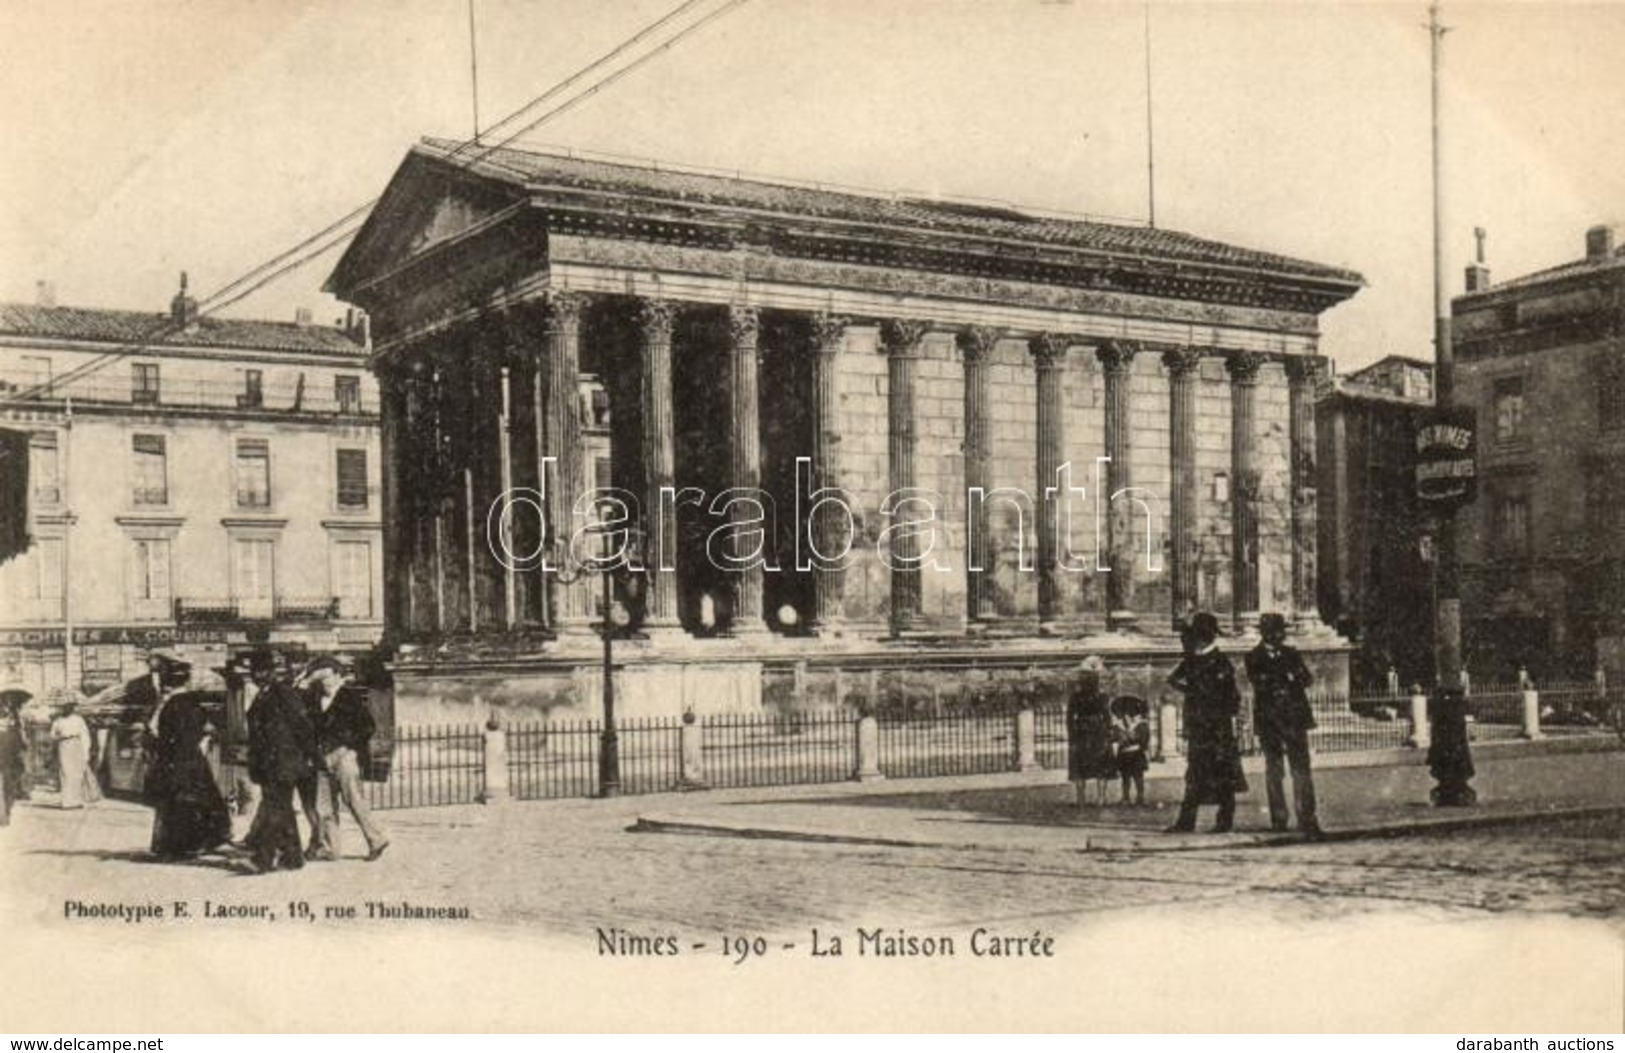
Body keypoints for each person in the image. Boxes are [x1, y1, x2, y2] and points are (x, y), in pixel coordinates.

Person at [301, 655, 389, 862]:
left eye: (328, 676)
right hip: (321, 757)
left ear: (339, 676)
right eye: (320, 677)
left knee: (353, 799)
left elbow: (367, 726)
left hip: (344, 755)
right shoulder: (313, 699)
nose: (324, 681)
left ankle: (376, 840)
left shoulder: (349, 697)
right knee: (324, 806)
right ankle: (332, 848)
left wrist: (348, 745)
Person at [1166, 612, 1247, 833]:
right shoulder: (1192, 660)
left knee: (1223, 774)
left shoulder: (1220, 661)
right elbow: (1172, 679)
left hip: (1217, 728)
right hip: (1199, 727)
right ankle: (1186, 821)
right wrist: (1191, 692)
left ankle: (1224, 821)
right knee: (1194, 774)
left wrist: (1210, 703)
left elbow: (1233, 698)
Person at [1245, 613, 1323, 838]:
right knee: (1275, 770)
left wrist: (1285, 680)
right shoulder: (1253, 656)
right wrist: (1288, 679)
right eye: (1275, 631)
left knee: (1301, 769)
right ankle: (1279, 818)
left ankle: (1307, 817)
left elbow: (1306, 679)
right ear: (1265, 633)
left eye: (1281, 631)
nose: (1280, 635)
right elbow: (1261, 683)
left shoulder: (1292, 653)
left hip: (1295, 719)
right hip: (1271, 720)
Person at [145, 659, 231, 860]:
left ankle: (175, 846)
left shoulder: (168, 703)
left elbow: (156, 731)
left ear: (169, 682)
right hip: (192, 756)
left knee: (175, 801)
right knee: (196, 798)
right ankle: (198, 842)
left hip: (173, 756)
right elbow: (204, 728)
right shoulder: (193, 703)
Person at [245, 650, 320, 873]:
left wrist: (311, 757)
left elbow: (303, 727)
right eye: (255, 672)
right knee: (283, 809)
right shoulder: (261, 696)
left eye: (262, 671)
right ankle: (293, 856)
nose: (258, 676)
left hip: (285, 762)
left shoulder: (284, 694)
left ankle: (264, 858)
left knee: (274, 808)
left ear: (271, 672)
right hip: (269, 764)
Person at [1066, 655, 1116, 808]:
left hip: (1081, 730)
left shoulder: (1075, 697)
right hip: (1098, 730)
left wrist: (1071, 734)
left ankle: (1081, 799)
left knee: (1079, 766)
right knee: (1101, 765)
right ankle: (1101, 798)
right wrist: (1108, 732)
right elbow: (1107, 717)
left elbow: (1069, 717)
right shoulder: (1102, 697)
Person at [50, 699, 99, 809]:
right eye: (64, 707)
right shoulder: (58, 721)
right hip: (64, 745)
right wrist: (59, 737)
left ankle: (77, 801)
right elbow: (52, 735)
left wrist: (86, 751)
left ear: (72, 708)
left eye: (69, 707)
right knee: (66, 772)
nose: (66, 709)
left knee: (77, 773)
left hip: (76, 745)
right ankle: (67, 801)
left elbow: (85, 735)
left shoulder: (78, 720)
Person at [1110, 696, 1151, 806]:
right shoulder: (1118, 726)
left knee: (1138, 777)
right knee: (1126, 777)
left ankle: (1140, 797)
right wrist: (1121, 736)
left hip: (1135, 752)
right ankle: (1126, 797)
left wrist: (1133, 737)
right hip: (1125, 753)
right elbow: (1113, 737)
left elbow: (1145, 738)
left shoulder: (1141, 724)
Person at [1, 695, 29, 825]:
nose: (4, 708)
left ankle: (6, 814)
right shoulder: (13, 721)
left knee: (8, 785)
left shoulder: (16, 720)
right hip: (6, 756)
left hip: (9, 756)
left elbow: (21, 740)